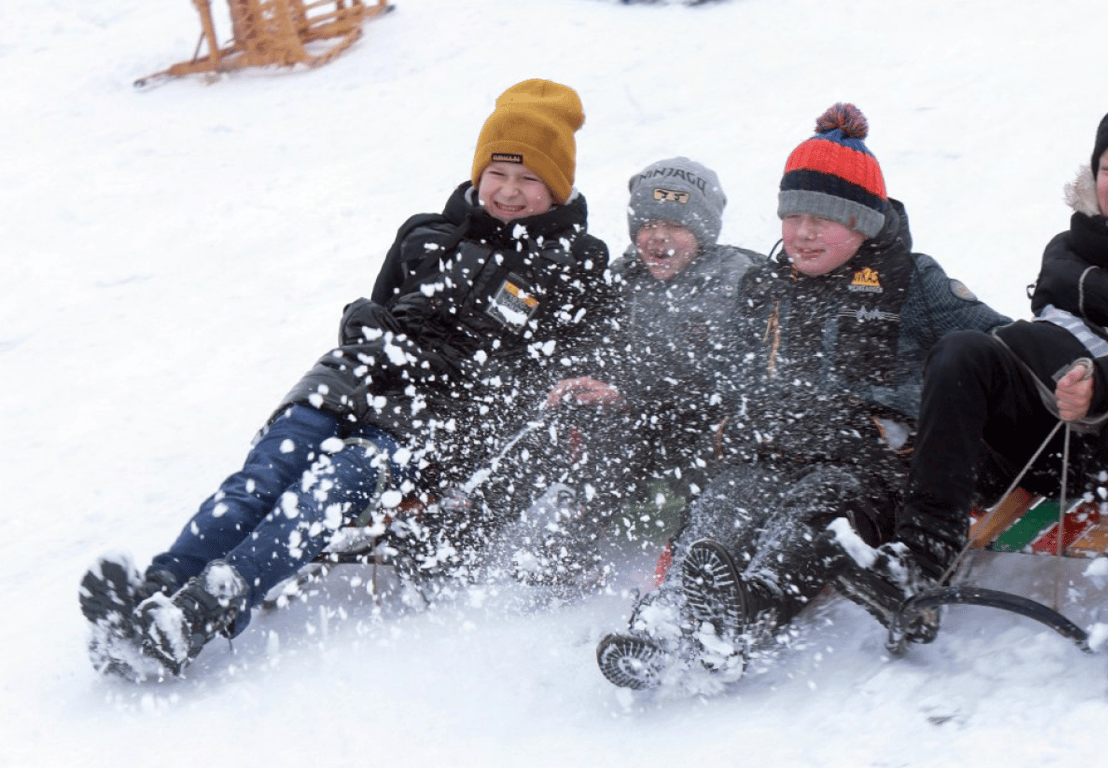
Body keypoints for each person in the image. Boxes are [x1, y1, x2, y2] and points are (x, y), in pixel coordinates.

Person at [78, 79, 617, 681]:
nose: (509, 192)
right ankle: (157, 590)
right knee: (261, 477)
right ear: (478, 171)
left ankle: (202, 613)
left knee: (335, 482)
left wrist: (445, 369)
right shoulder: (426, 234)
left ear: (558, 186)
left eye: (530, 180)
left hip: (438, 414)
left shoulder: (574, 265)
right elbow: (383, 308)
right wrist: (362, 319)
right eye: (499, 173)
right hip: (351, 378)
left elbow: (549, 370)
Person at [829, 93, 1108, 702]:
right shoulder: (1069, 244)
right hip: (1049, 443)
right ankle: (920, 556)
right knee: (964, 350)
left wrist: (1102, 380)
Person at [595, 104, 1010, 690]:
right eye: (793, 217)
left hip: (867, 465)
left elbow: (998, 348)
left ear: (863, 222)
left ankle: (750, 612)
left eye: (826, 218)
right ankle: (664, 620)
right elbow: (730, 373)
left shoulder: (913, 281)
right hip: (773, 449)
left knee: (811, 515)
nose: (804, 234)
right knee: (725, 503)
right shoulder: (766, 287)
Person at [542, 158, 761, 554]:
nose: (658, 238)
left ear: (703, 230)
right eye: (646, 225)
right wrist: (581, 378)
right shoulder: (625, 277)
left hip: (705, 425)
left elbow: (734, 376)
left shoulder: (737, 282)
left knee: (720, 462)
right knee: (604, 431)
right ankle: (573, 541)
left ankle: (699, 550)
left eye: (675, 225)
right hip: (643, 420)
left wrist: (632, 393)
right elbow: (599, 345)